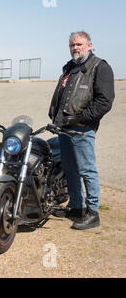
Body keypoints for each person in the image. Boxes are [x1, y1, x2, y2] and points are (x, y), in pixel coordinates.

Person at [49, 31, 115, 230]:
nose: (75, 48)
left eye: (78, 44)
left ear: (89, 45)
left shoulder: (100, 67)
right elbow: (61, 93)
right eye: (72, 45)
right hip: (64, 127)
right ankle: (76, 206)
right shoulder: (70, 68)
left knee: (87, 170)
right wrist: (54, 115)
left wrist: (83, 120)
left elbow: (104, 102)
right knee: (70, 169)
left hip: (81, 129)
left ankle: (92, 212)